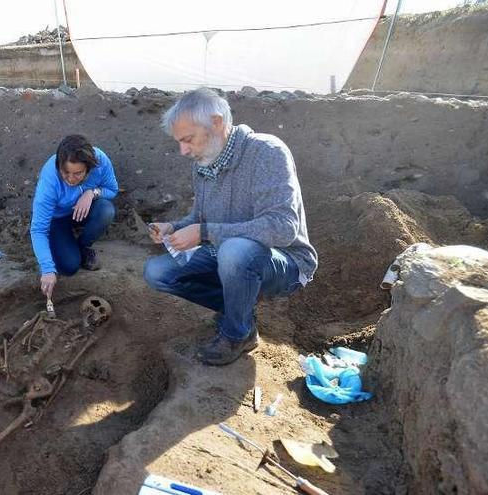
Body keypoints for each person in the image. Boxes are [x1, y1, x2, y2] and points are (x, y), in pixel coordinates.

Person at [144, 87, 317, 366]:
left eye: (187, 139)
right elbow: (200, 218)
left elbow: (283, 227)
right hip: (227, 253)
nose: (183, 150)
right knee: (157, 272)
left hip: (285, 262)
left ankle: (239, 333)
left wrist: (203, 233)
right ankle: (240, 311)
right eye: (179, 142)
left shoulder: (266, 152)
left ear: (216, 122)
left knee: (235, 252)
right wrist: (173, 228)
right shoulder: (204, 163)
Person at [30, 135, 118, 299]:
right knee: (69, 266)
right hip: (58, 218)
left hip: (84, 210)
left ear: (89, 168)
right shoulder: (49, 180)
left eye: (78, 173)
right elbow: (38, 229)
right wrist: (47, 269)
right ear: (59, 166)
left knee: (106, 210)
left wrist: (92, 192)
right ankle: (64, 241)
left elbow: (112, 189)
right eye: (66, 172)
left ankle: (83, 245)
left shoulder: (100, 162)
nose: (71, 179)